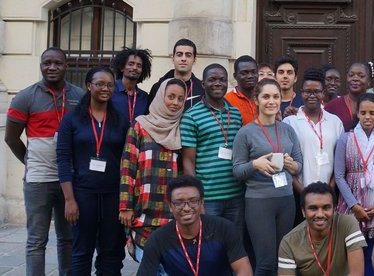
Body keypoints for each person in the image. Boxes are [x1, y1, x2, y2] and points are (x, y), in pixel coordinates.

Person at [5, 47, 83, 275]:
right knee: (36, 240)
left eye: (57, 63)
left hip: (69, 180)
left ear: (66, 66)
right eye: (46, 63)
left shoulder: (79, 96)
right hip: (38, 180)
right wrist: (30, 161)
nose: (52, 67)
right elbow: (10, 138)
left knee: (67, 237)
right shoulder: (25, 97)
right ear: (40, 65)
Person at [56, 67, 129, 274]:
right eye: (99, 84)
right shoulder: (71, 120)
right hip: (82, 195)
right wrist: (69, 200)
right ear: (89, 86)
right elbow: (62, 160)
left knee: (111, 253)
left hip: (113, 195)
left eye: (109, 85)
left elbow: (128, 159)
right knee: (81, 252)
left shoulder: (121, 120)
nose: (105, 89)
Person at [232, 78, 303, 275]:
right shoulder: (245, 133)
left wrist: (291, 165)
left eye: (275, 96)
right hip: (259, 202)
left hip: (286, 200)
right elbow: (237, 170)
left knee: (284, 261)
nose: (271, 101)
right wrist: (255, 164)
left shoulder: (288, 129)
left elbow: (299, 166)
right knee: (265, 262)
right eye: (266, 97)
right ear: (256, 100)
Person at [119, 78, 186, 264]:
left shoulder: (184, 126)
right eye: (170, 96)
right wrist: (125, 206)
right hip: (144, 212)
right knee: (149, 266)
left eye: (180, 99)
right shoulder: (140, 126)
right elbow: (127, 168)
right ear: (159, 97)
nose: (175, 103)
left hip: (174, 212)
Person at [138, 175, 253, 275]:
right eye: (179, 203)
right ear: (170, 206)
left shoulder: (223, 228)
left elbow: (244, 271)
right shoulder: (158, 239)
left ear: (202, 202)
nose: (187, 208)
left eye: (193, 201)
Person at [334, 93, 374, 275]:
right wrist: (354, 205)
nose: (367, 117)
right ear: (357, 114)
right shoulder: (346, 138)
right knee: (352, 248)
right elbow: (338, 175)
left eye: (372, 113)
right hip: (351, 202)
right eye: (363, 113)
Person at [180, 64, 244, 234]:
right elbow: (188, 161)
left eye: (222, 80)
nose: (218, 83)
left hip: (236, 196)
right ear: (203, 84)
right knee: (211, 246)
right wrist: (197, 199)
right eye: (212, 80)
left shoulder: (236, 114)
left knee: (234, 246)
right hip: (208, 198)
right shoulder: (191, 116)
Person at [284, 68, 345, 225]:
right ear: (301, 93)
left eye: (316, 91)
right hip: (298, 193)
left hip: (329, 193)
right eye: (307, 91)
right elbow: (285, 164)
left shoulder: (335, 122)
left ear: (323, 93)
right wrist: (303, 191)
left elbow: (340, 161)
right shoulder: (290, 123)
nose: (312, 95)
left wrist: (329, 190)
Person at [279, 182, 367, 275]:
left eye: (326, 208)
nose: (320, 214)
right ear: (303, 212)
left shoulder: (347, 224)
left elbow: (356, 273)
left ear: (334, 209)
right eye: (313, 208)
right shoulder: (289, 242)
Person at [324, 61, 374, 136]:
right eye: (351, 75)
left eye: (361, 76)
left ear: (368, 81)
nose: (355, 79)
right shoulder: (332, 106)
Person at [147, 38, 204, 111]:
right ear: (173, 58)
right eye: (179, 55)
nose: (183, 59)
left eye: (188, 55)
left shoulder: (202, 89)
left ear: (194, 60)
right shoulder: (158, 87)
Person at [110, 47, 151, 124]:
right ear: (122, 67)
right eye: (131, 64)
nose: (135, 68)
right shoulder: (110, 90)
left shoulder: (144, 97)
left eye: (139, 66)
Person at [225, 55, 259, 125]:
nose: (250, 76)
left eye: (253, 72)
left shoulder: (264, 98)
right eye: (244, 73)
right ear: (235, 76)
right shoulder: (226, 101)